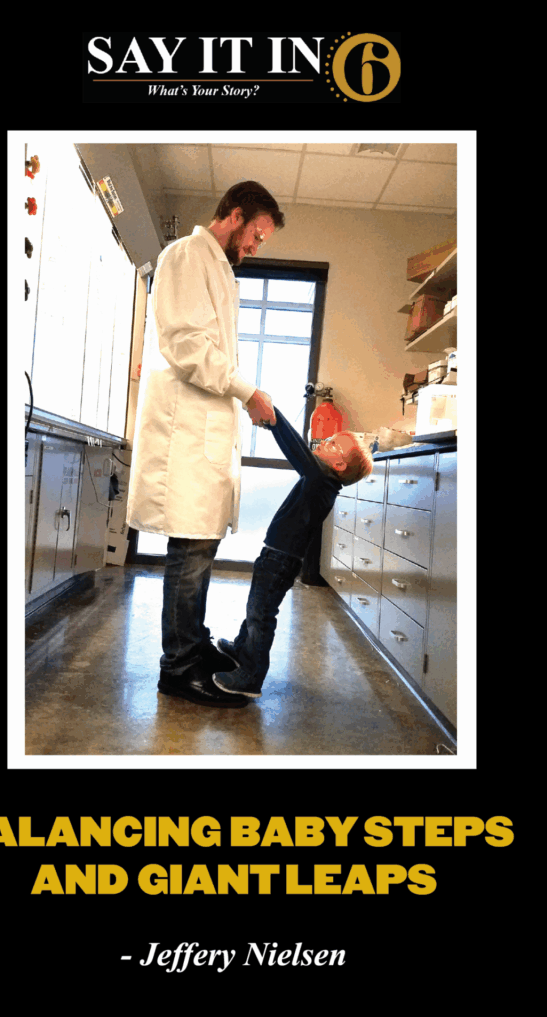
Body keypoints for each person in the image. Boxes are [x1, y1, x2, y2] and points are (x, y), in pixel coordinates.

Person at [126, 181, 285, 708]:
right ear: (234, 216)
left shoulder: (217, 268)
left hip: (204, 436)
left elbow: (212, 353)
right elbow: (188, 346)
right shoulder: (186, 256)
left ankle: (192, 647)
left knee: (201, 548)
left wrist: (242, 395)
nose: (256, 247)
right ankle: (178, 669)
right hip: (184, 436)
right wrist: (249, 391)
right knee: (189, 554)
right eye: (256, 235)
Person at [212, 406, 374, 699]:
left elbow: (297, 451)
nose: (325, 442)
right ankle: (241, 648)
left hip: (280, 559)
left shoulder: (321, 482)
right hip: (276, 555)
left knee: (261, 614)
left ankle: (250, 676)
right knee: (255, 608)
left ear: (339, 465)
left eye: (334, 444)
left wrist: (274, 418)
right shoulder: (321, 480)